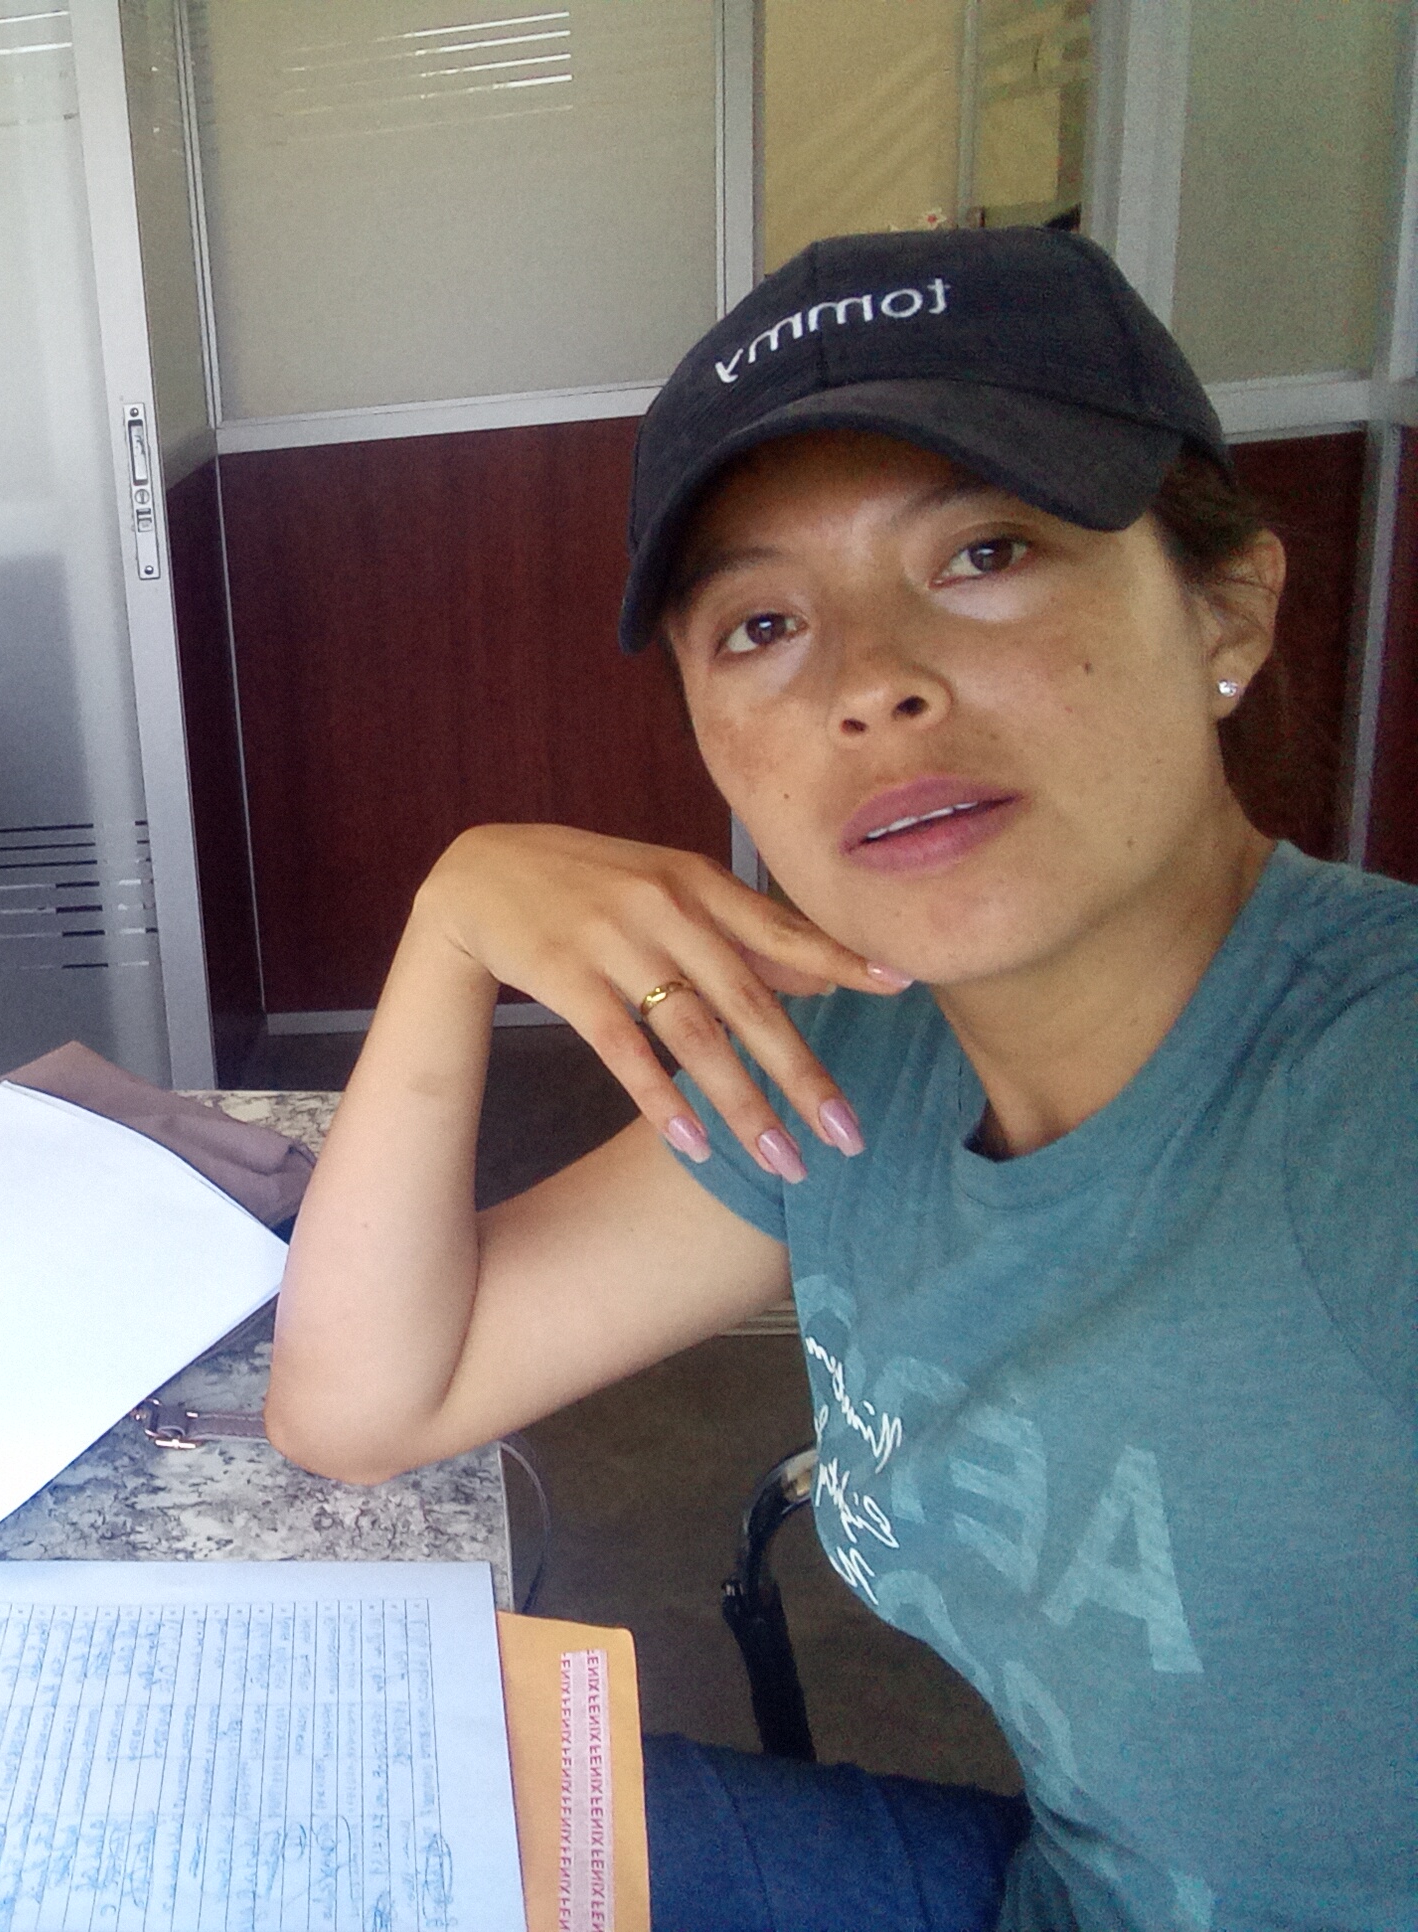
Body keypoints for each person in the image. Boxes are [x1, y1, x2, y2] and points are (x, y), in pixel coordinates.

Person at [264, 228, 1414, 1931]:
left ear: (1227, 608)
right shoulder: (861, 1051)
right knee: (320, 1797)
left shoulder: (1368, 1097)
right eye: (763, 623)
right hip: (1064, 1890)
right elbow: (364, 1404)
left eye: (987, 551)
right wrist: (451, 925)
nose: (872, 681)